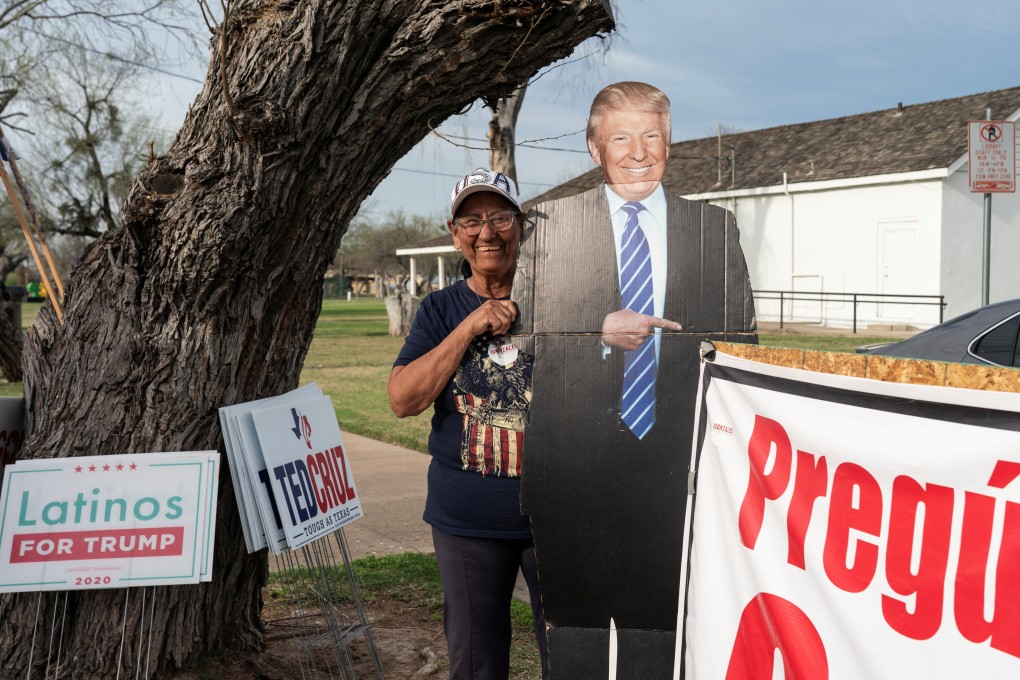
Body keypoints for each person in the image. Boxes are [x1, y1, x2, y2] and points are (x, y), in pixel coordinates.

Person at [511, 82, 757, 678]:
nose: (637, 150)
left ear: (669, 144)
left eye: (652, 135)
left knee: (665, 628)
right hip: (574, 458)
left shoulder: (714, 229)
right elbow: (518, 338)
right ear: (595, 148)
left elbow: (745, 347)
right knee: (575, 629)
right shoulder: (549, 226)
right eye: (620, 136)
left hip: (680, 464)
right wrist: (594, 331)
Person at [388, 168, 549, 680]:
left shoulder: (559, 297)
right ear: (454, 233)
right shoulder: (439, 309)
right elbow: (403, 400)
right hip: (467, 521)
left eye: (500, 217)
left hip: (557, 515)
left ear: (520, 225)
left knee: (572, 654)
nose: (487, 232)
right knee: (476, 660)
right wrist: (472, 324)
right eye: (472, 220)